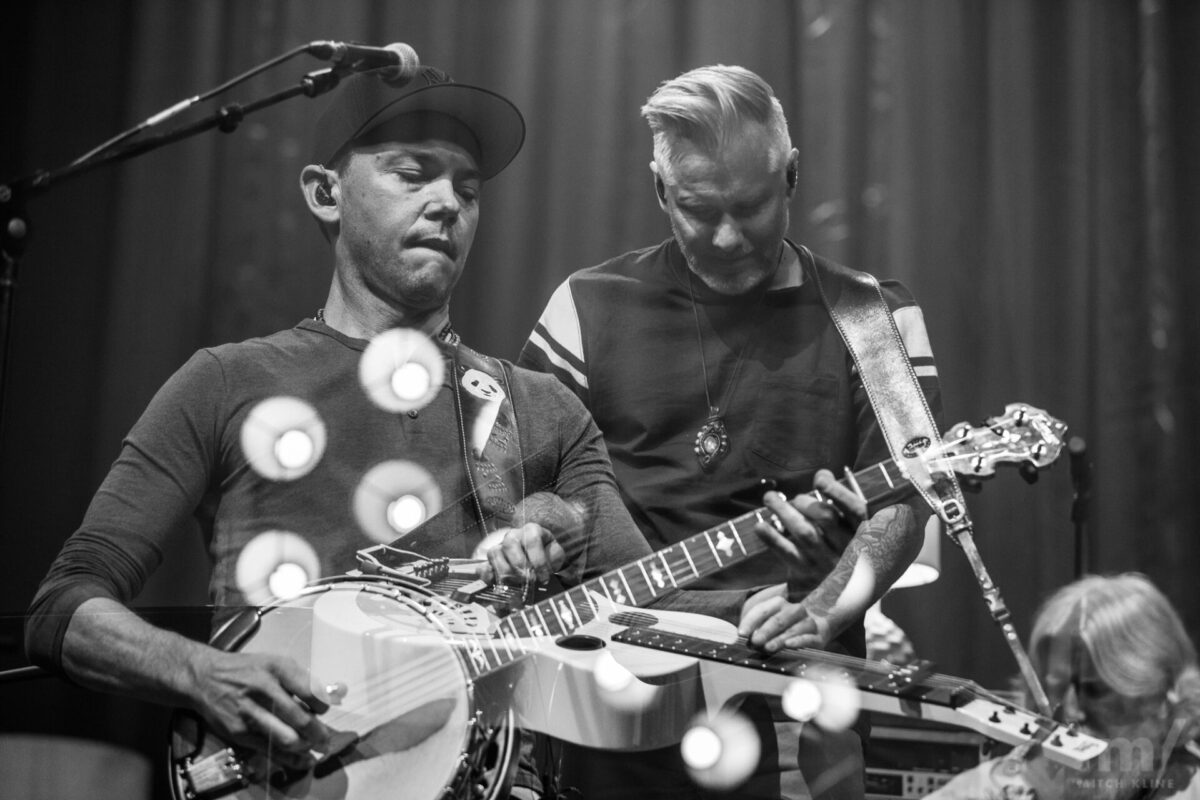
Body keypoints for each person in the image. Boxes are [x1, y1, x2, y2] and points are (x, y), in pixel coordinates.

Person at [22, 64, 659, 798]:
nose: (447, 203)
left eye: (467, 188)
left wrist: (787, 598)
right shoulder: (227, 383)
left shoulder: (540, 409)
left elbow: (645, 618)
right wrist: (201, 671)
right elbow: (63, 608)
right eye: (412, 174)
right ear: (326, 193)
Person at [518, 64, 942, 799]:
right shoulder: (582, 307)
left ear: (793, 177)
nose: (724, 236)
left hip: (794, 707)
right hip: (614, 696)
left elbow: (905, 503)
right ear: (659, 190)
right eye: (695, 208)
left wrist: (822, 609)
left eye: (749, 207)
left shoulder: (877, 320)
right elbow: (528, 482)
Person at [926, 573, 1200, 800]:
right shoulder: (984, 792)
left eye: (1095, 691)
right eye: (1054, 689)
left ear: (1164, 695)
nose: (1070, 713)